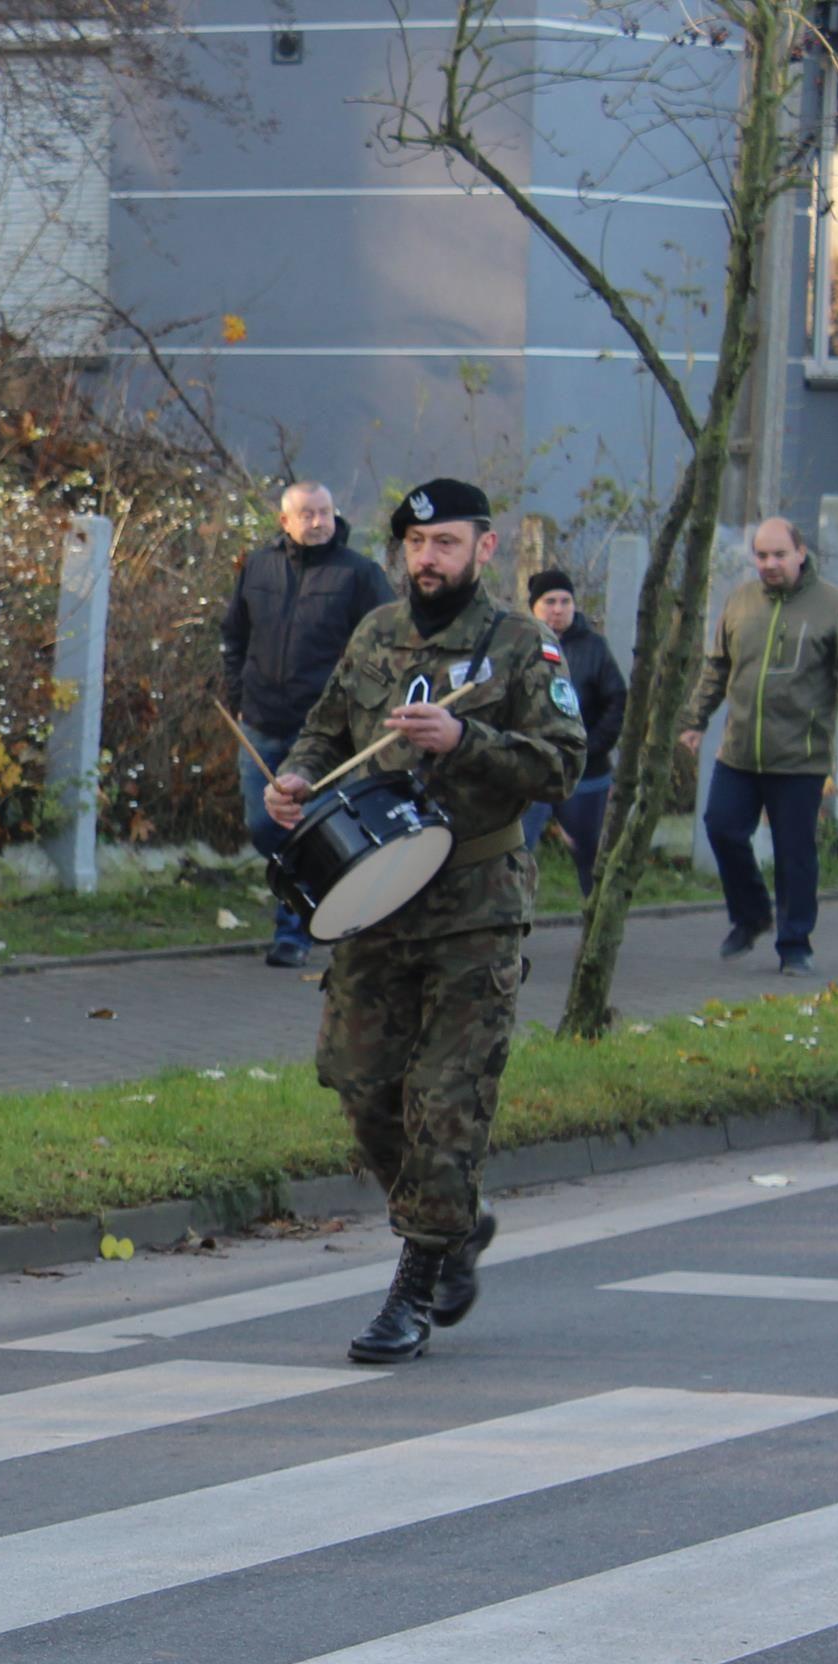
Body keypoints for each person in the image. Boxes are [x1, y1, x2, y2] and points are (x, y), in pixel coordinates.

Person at [266, 479, 584, 1365]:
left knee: (447, 1103)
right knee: (357, 1078)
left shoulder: (525, 647)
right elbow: (324, 730)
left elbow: (564, 764)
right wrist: (295, 779)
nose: (427, 559)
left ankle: (413, 1283)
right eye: (415, 544)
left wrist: (466, 741)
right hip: (374, 898)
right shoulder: (376, 634)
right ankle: (455, 1222)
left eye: (445, 543)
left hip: (475, 908)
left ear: (484, 549)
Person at [679, 516, 838, 977]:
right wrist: (694, 720)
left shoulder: (832, 606)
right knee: (722, 827)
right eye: (762, 556)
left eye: (779, 555)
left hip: (799, 755)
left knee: (794, 853)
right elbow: (717, 667)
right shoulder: (741, 602)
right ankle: (751, 916)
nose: (769, 564)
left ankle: (795, 945)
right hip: (741, 751)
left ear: (800, 553)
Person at [221, 481, 398, 967]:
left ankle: (294, 933)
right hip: (259, 723)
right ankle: (321, 903)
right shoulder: (257, 568)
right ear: (285, 521)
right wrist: (238, 697)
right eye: (307, 514)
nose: (318, 522)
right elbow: (233, 637)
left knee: (309, 828)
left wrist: (358, 713)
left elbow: (389, 647)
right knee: (264, 825)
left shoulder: (359, 574)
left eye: (325, 512)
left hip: (323, 734)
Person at [516, 568, 630, 894]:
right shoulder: (518, 645)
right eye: (549, 601)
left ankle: (594, 924)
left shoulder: (594, 647)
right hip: (530, 768)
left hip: (585, 770)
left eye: (566, 601)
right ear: (534, 607)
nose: (558, 608)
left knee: (589, 851)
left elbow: (616, 700)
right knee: (518, 850)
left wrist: (591, 745)